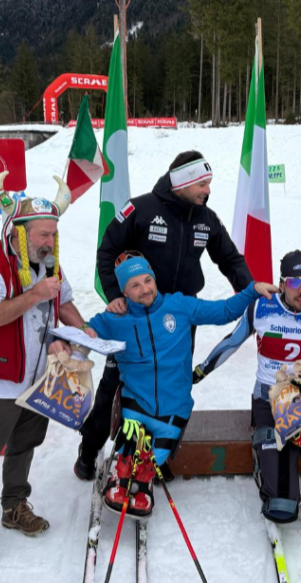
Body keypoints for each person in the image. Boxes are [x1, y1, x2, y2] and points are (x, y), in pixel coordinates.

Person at [75, 151, 253, 480]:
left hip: (178, 317)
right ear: (182, 183)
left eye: (209, 184)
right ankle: (90, 446)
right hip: (134, 315)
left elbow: (230, 259)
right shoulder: (140, 209)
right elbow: (107, 250)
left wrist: (253, 295)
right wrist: (115, 296)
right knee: (114, 381)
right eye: (202, 183)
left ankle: (159, 452)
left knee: (174, 384)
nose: (207, 190)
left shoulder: (206, 218)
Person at [0, 175, 94, 562]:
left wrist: (83, 329)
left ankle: (15, 506)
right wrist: (33, 294)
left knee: (24, 446)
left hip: (39, 375)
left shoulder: (50, 263)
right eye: (42, 234)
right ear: (18, 232)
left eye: (53, 233)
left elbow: (62, 302)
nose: (49, 241)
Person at [86, 252, 278, 516]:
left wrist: (252, 290)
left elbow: (223, 311)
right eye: (135, 285)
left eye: (147, 280)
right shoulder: (114, 319)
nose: (145, 289)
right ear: (124, 292)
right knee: (130, 448)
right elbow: (87, 333)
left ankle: (143, 480)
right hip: (136, 405)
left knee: (153, 458)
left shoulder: (178, 306)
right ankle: (120, 474)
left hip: (173, 407)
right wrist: (73, 339)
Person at [193, 250, 301, 523]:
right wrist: (199, 372)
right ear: (281, 284)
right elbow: (231, 342)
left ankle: (298, 460)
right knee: (276, 476)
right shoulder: (262, 307)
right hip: (268, 395)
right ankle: (269, 463)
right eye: (293, 283)